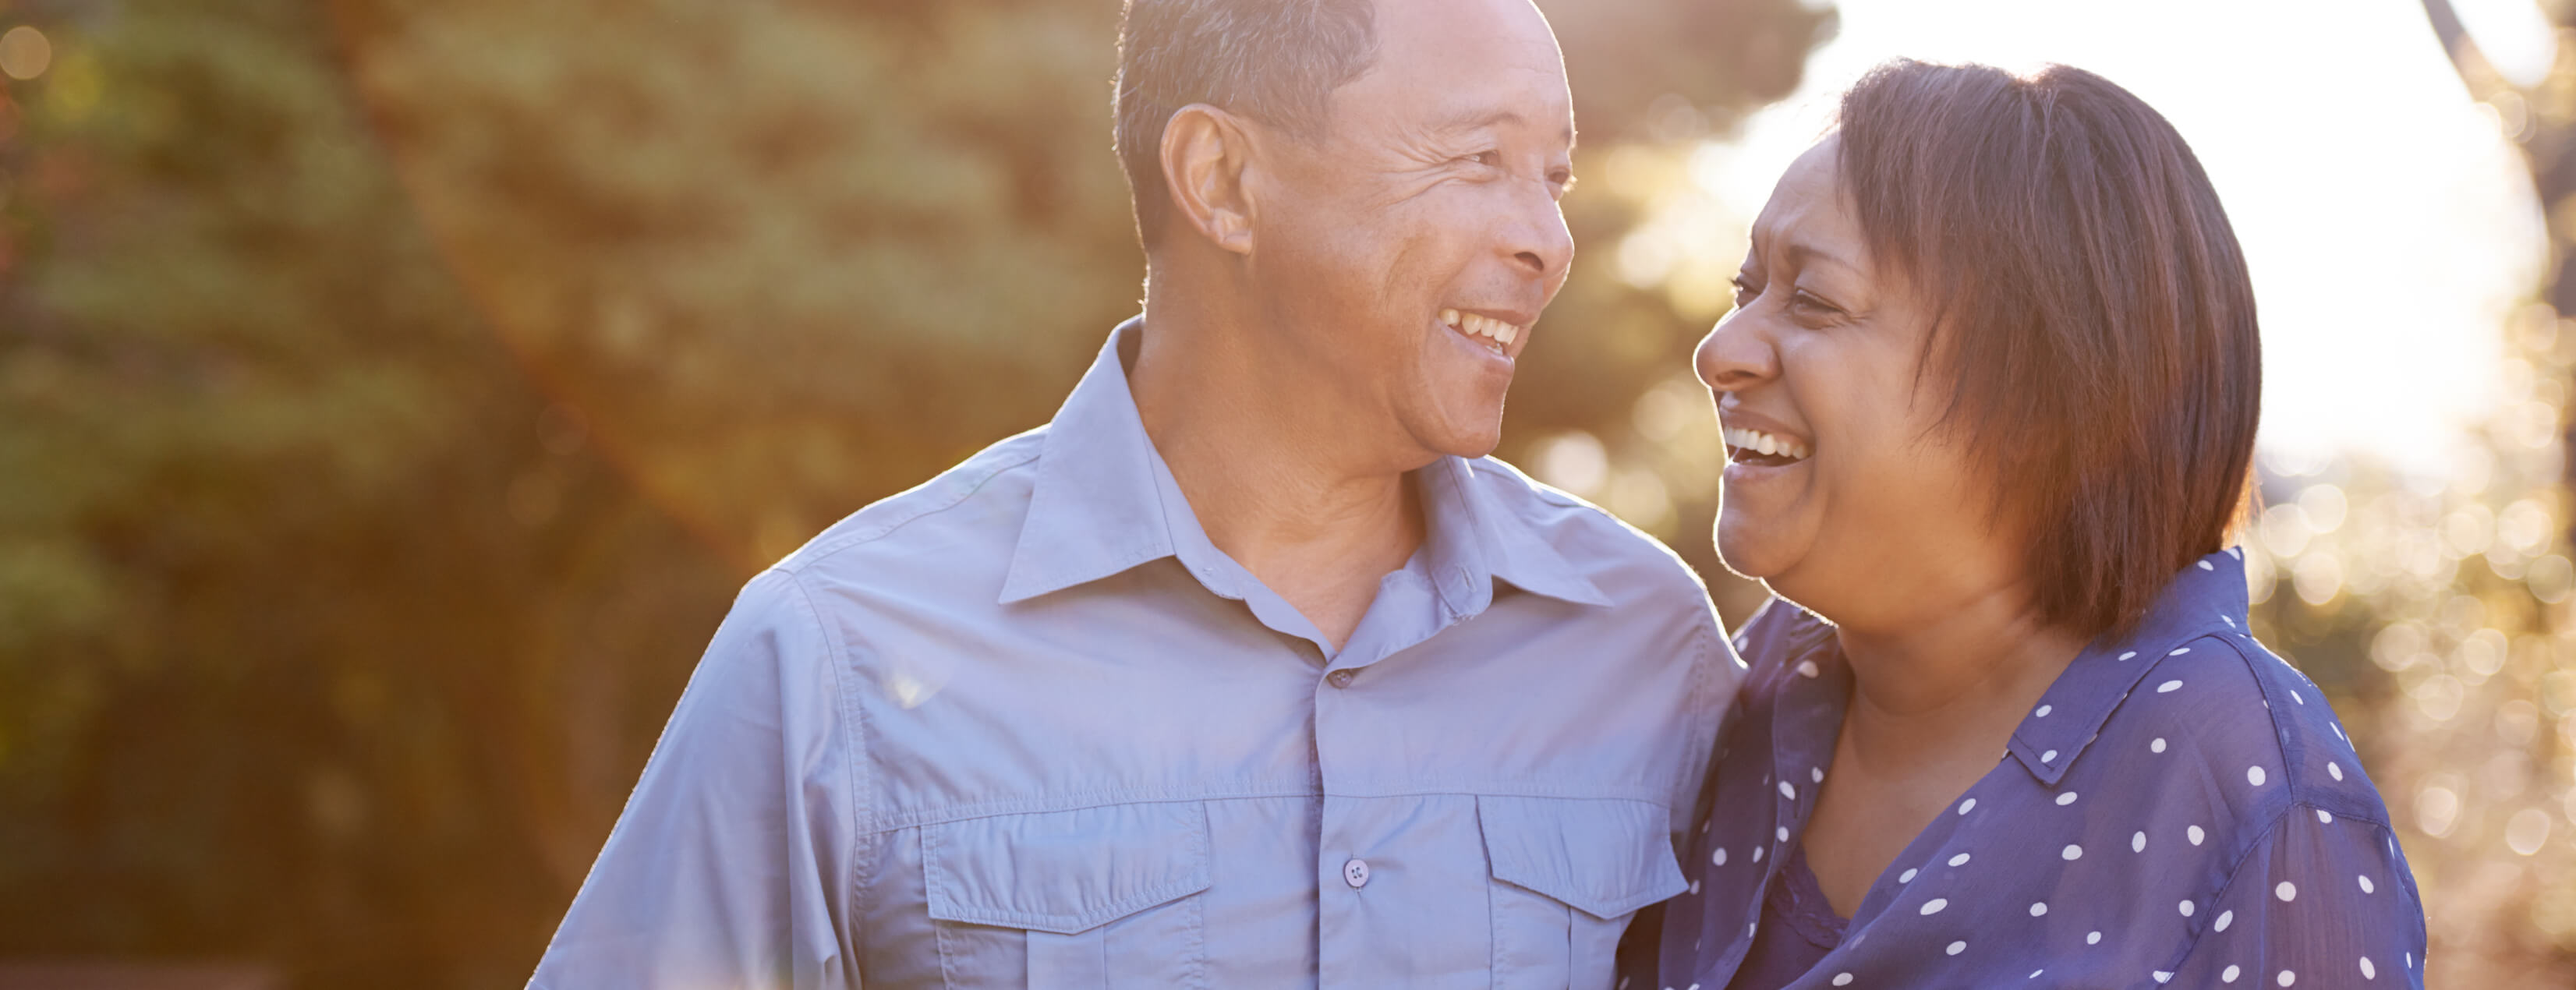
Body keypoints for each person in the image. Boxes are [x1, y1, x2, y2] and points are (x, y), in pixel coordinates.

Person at [528, 0, 1739, 986]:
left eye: (1555, 179)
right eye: (1480, 160)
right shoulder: (836, 656)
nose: (1547, 240)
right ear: (1223, 180)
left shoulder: (1647, 645)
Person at [1631, 60, 2429, 989]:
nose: (1717, 351)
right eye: (1745, 290)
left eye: (1812, 300)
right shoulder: (1754, 688)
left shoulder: (2248, 789)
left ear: (2046, 395)